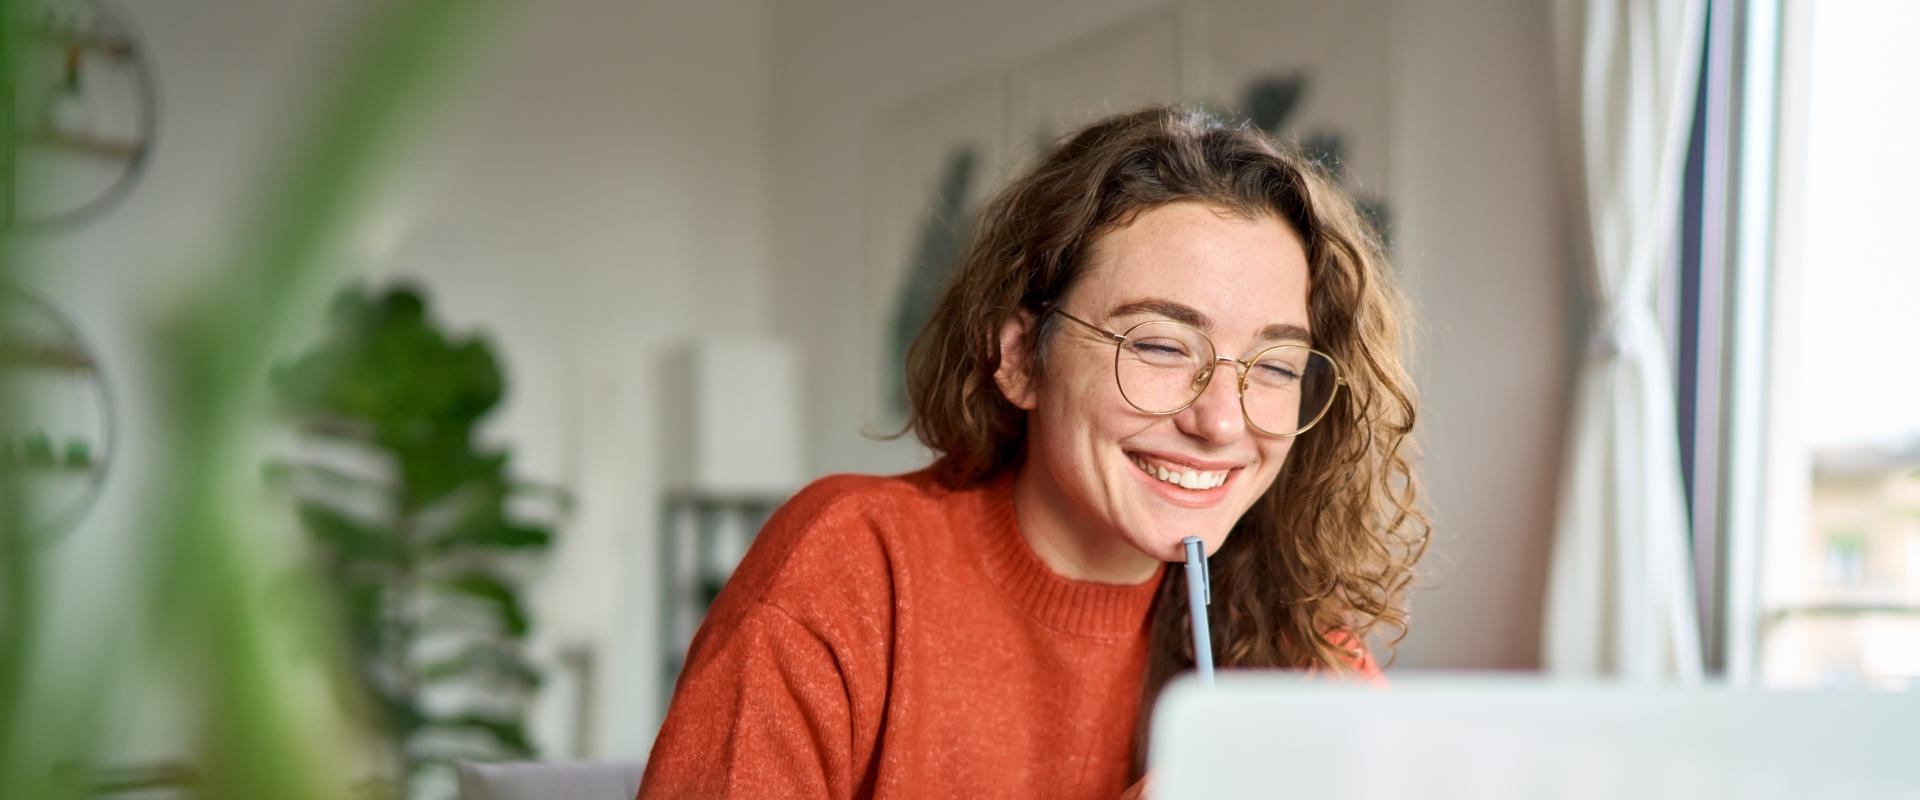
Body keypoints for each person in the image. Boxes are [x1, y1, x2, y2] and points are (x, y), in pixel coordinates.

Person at [638, 105, 1428, 800]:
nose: (1222, 421)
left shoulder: (1299, 656)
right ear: (1020, 356)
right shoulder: (852, 568)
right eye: (1159, 345)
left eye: (1277, 366)